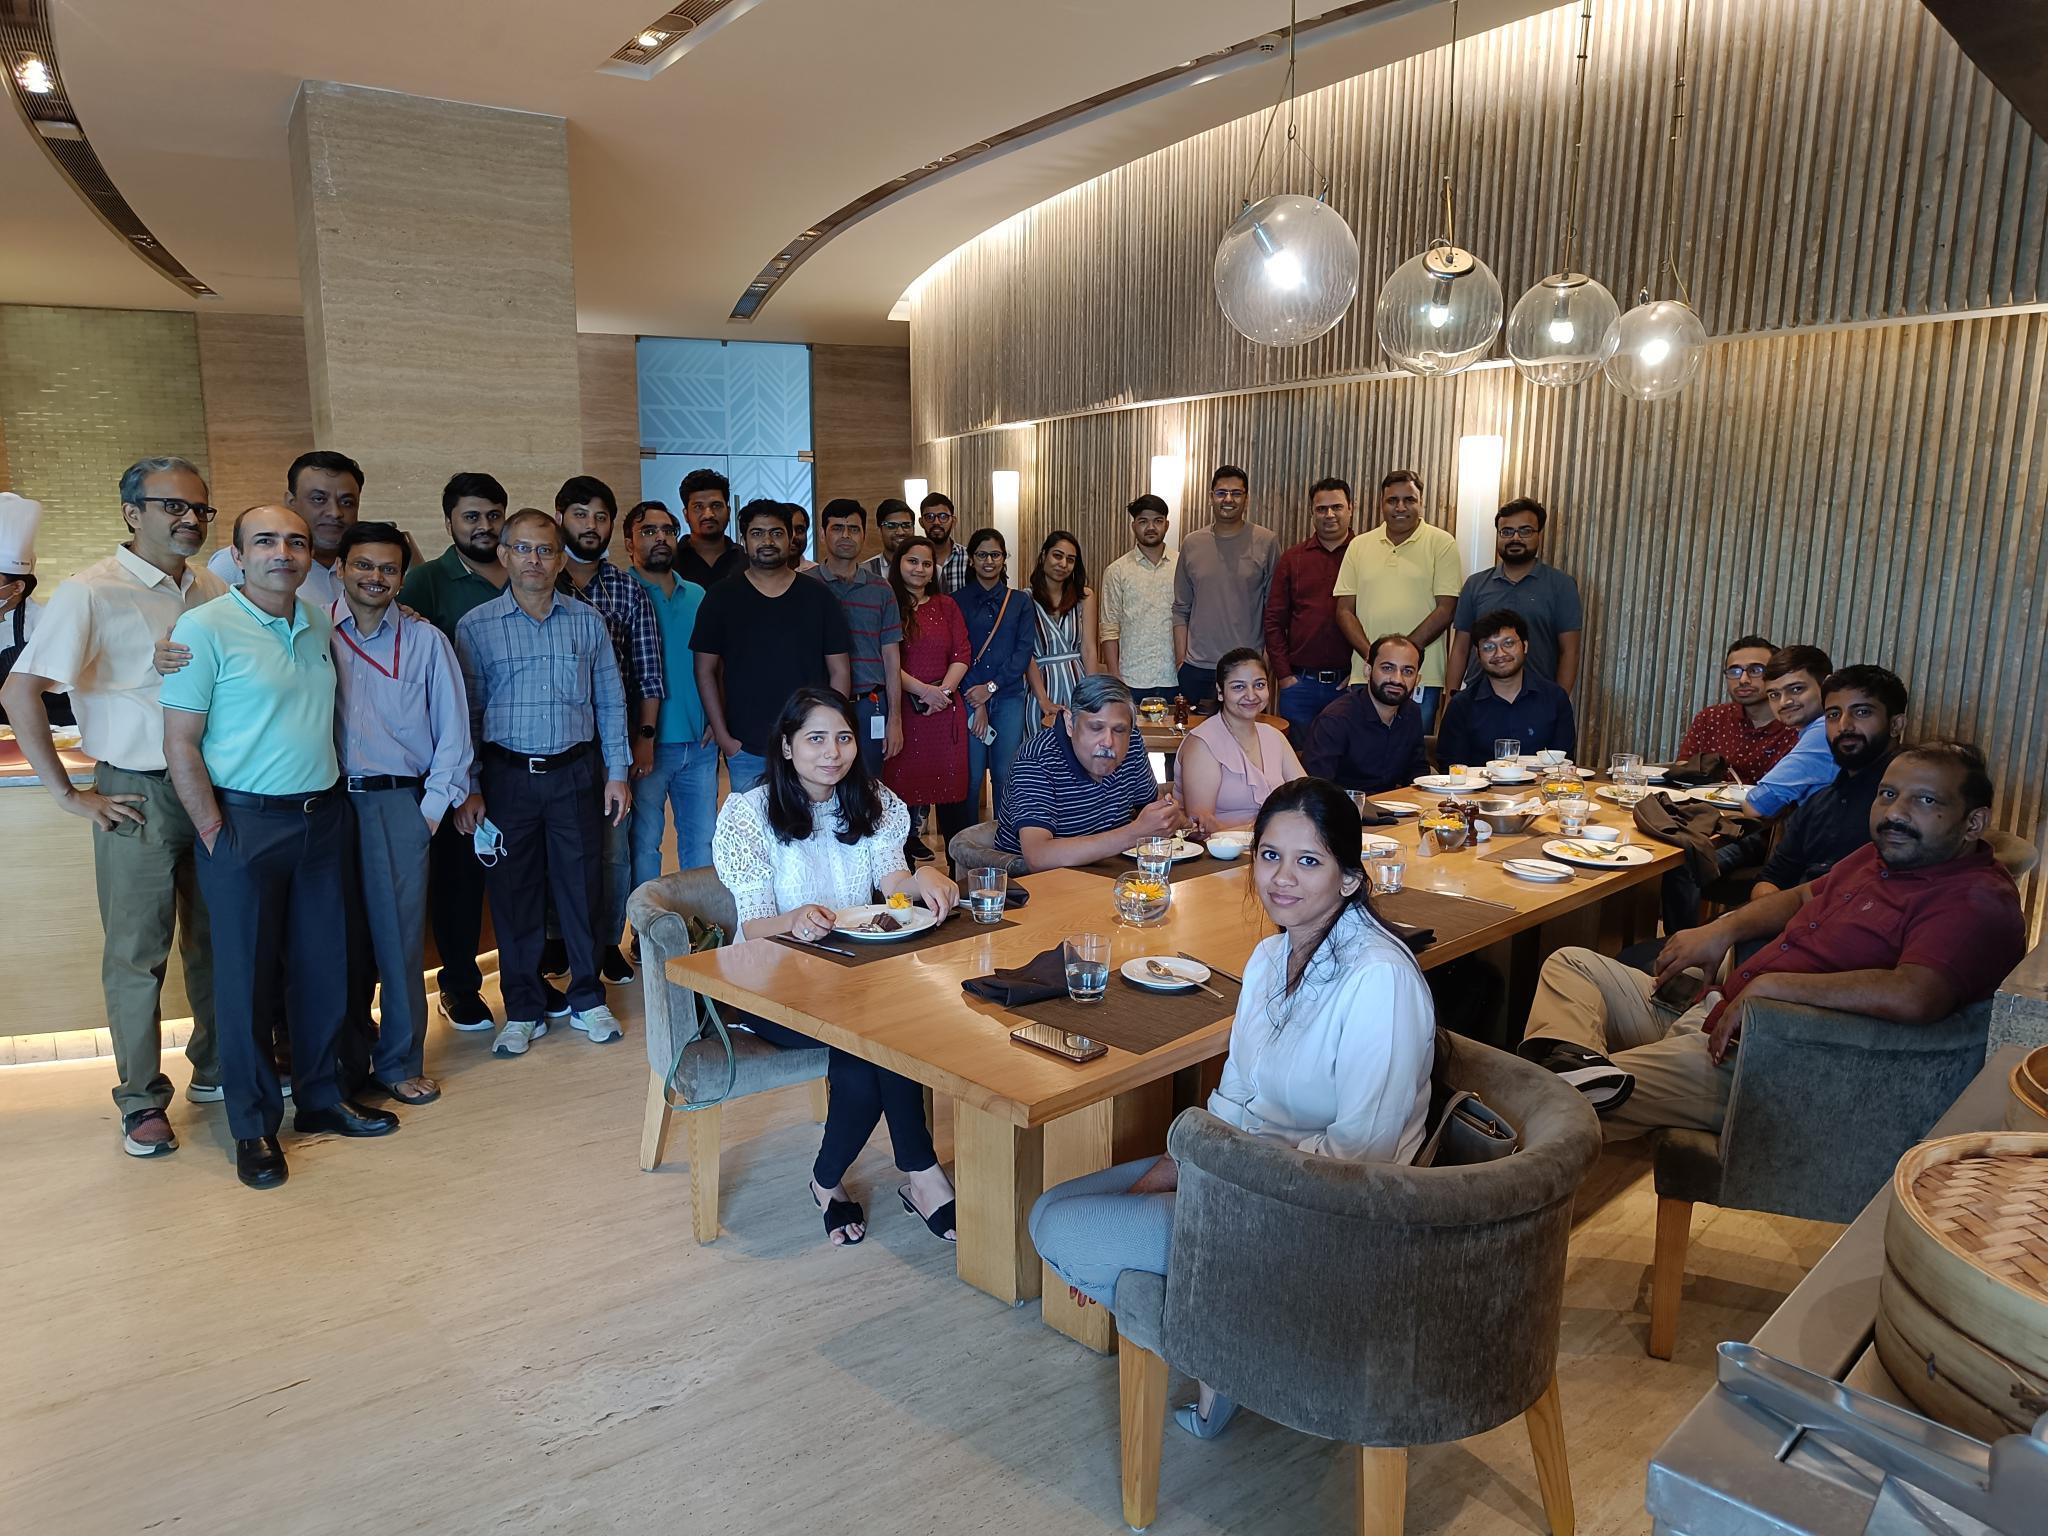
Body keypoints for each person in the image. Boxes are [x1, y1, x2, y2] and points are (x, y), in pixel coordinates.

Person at [1031, 778, 1435, 1438]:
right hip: (1243, 1178)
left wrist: (1218, 1185)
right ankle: (1235, 1346)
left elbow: (1362, 1158)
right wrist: (1159, 1182)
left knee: (1068, 1233)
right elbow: (1232, 1104)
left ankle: (1236, 1360)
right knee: (1054, 1213)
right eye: (1270, 855)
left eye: (1310, 861)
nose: (1282, 879)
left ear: (1352, 879)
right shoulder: (1273, 955)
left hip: (1324, 1214)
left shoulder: (1378, 979)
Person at [1522, 743, 2027, 1137]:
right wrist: (1720, 928)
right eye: (1889, 794)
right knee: (1572, 964)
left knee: (1551, 1101)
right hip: (1721, 1010)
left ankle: (1568, 1093)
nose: (1895, 812)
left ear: (1974, 822)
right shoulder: (1883, 857)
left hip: (1773, 1060)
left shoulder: (1973, 901)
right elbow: (1801, 896)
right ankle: (1582, 1069)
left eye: (1926, 801)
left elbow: (1916, 994)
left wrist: (1775, 988)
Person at [161, 505, 397, 1189]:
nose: (283, 552)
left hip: (322, 820)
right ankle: (253, 1125)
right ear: (237, 554)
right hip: (243, 825)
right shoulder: (203, 629)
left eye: (295, 541)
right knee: (245, 983)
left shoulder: (317, 620)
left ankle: (321, 1099)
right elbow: (179, 742)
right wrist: (212, 831)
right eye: (265, 540)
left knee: (324, 967)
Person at [1, 458, 228, 1158]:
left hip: (214, 788)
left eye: (199, 508)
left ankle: (216, 1072)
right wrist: (71, 795)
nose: (188, 519)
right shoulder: (90, 593)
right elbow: (20, 693)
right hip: (138, 788)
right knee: (137, 952)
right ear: (133, 512)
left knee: (215, 943)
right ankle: (138, 1099)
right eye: (171, 506)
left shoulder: (212, 588)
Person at [710, 687, 963, 1246]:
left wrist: (919, 882)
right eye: (816, 739)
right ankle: (872, 1179)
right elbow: (752, 926)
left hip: (854, 973)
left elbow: (890, 882)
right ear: (787, 745)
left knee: (891, 1031)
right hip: (772, 982)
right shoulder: (747, 814)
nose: (833, 752)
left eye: (844, 738)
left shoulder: (872, 800)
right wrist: (793, 919)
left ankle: (899, 1176)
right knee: (867, 1051)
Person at [453, 508, 631, 1060]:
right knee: (515, 895)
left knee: (582, 888)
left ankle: (586, 998)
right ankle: (524, 1008)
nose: (535, 559)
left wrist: (618, 772)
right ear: (504, 555)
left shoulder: (587, 621)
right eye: (523, 549)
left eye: (545, 550)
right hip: (507, 779)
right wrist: (471, 785)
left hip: (577, 774)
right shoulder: (475, 626)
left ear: (560, 559)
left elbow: (610, 700)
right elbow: (469, 714)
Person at [327, 522, 471, 1108]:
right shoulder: (310, 631)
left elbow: (455, 737)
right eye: (363, 565)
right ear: (340, 568)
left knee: (399, 943)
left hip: (397, 806)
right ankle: (341, 1065)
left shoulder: (425, 641)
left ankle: (399, 1061)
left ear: (402, 574)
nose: (375, 577)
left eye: (388, 568)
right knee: (331, 942)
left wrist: (429, 813)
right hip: (325, 801)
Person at [398, 471, 511, 1033]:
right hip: (451, 761)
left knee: (518, 878)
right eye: (472, 516)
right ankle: (460, 986)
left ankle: (522, 974)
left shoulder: (526, 570)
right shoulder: (426, 582)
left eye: (493, 515)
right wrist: (460, 777)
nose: (484, 527)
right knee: (459, 882)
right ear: (449, 522)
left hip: (518, 755)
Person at [555, 474, 664, 983]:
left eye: (600, 516)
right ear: (561, 518)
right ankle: (556, 941)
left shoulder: (626, 589)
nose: (590, 525)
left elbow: (648, 671)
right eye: (581, 514)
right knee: (555, 844)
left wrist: (642, 740)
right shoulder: (537, 581)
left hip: (611, 743)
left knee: (612, 849)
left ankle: (604, 942)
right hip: (548, 742)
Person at [690, 499, 852, 792]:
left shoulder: (819, 597)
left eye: (776, 533)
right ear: (744, 540)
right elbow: (704, 670)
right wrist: (726, 740)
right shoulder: (720, 597)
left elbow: (839, 670)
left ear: (791, 538)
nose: (767, 541)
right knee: (755, 835)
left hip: (811, 745)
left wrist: (830, 732)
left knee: (812, 832)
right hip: (747, 746)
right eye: (757, 533)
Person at [994, 673, 1181, 870]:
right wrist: (1134, 833)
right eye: (1095, 728)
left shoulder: (1132, 743)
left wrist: (1176, 820)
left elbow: (1149, 807)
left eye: (1119, 730)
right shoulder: (1036, 759)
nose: (1108, 742)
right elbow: (1038, 856)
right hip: (1038, 885)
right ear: (1069, 723)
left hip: (1110, 872)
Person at [1750, 666, 1907, 897]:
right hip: (1791, 923)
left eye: (1862, 712)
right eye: (1833, 715)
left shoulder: (1910, 803)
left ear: (1896, 725)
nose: (1844, 726)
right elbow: (1771, 879)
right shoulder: (1820, 802)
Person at [624, 500, 717, 881]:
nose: (660, 537)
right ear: (629, 542)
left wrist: (717, 716)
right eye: (648, 530)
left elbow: (718, 661)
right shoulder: (621, 591)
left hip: (699, 744)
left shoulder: (697, 594)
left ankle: (701, 933)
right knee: (644, 844)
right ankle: (648, 936)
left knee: (702, 843)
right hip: (644, 746)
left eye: (667, 530)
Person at [1332, 469, 1462, 727]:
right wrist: (1376, 658)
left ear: (1421, 503)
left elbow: (1446, 610)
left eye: (1409, 500)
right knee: (1361, 752)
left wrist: (1401, 660)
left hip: (1421, 676)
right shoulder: (1359, 545)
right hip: (1366, 672)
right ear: (1382, 504)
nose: (1400, 507)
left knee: (1411, 755)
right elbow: (1344, 611)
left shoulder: (1442, 543)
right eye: (1392, 500)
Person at [937, 527, 1035, 847]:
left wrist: (990, 688)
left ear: (1004, 558)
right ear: (971, 558)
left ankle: (1006, 844)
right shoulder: (955, 602)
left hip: (1007, 697)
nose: (989, 561)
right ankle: (966, 850)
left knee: (1007, 776)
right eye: (982, 555)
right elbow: (956, 651)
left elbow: (1022, 653)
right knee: (971, 777)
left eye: (995, 554)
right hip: (967, 698)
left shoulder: (1019, 601)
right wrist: (976, 699)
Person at [883, 537, 970, 861]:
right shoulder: (887, 602)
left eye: (926, 563)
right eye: (912, 561)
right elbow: (887, 659)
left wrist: (943, 693)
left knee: (952, 797)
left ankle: (958, 877)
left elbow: (962, 652)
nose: (920, 569)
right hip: (904, 711)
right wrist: (923, 691)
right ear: (899, 563)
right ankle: (905, 889)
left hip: (945, 712)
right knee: (901, 796)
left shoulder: (947, 605)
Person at [1443, 498, 1583, 696]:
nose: (1515, 538)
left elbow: (1570, 652)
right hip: (1479, 699)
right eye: (1506, 532)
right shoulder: (1475, 585)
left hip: (1537, 698)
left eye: (1525, 531)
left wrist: (1558, 703)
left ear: (1539, 535)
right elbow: (1460, 648)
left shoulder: (1561, 585)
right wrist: (1452, 698)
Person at [810, 498, 904, 775]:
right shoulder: (805, 585)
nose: (846, 536)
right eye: (837, 528)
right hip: (818, 703)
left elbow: (891, 657)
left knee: (869, 785)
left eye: (853, 528)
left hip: (870, 705)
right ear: (823, 533)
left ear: (864, 534)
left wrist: (895, 719)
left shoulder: (881, 589)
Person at [1171, 465, 1279, 703]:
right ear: (1211, 497)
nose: (1228, 499)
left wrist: (1266, 661)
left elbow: (1274, 610)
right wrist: (1181, 659)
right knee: (1198, 737)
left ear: (1246, 498)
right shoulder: (1192, 543)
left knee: (1245, 739)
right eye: (1221, 493)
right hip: (1197, 666)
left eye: (1236, 493)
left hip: (1246, 667)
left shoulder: (1266, 541)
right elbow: (1180, 608)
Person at [1265, 476, 1360, 738]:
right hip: (1300, 686)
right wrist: (1284, 676)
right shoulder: (1293, 558)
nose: (1329, 515)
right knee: (1298, 764)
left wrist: (1359, 672)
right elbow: (1273, 620)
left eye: (1337, 507)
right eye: (1321, 509)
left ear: (1351, 507)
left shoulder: (1366, 555)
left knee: (1345, 763)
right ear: (1312, 513)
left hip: (1349, 685)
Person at [205, 450, 362, 607]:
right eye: (319, 499)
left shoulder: (370, 567)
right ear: (291, 502)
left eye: (347, 502)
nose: (335, 513)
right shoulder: (237, 563)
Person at [1177, 648, 1304, 836]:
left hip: (1275, 845)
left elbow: (1305, 797)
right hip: (1218, 854)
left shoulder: (1274, 736)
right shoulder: (1202, 744)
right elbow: (1201, 827)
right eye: (1238, 687)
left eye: (1259, 685)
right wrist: (1263, 831)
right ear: (1220, 692)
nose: (1251, 695)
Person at [1433, 609, 1576, 767]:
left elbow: (1564, 763)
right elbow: (1450, 767)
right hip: (1481, 790)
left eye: (1508, 643)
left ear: (1525, 646)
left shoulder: (1554, 699)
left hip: (1540, 789)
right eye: (1488, 647)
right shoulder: (1462, 706)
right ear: (1478, 654)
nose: (1499, 654)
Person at [1302, 633, 1432, 793]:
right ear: (1368, 670)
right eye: (1387, 668)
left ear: (1417, 679)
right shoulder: (1335, 720)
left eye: (1408, 671)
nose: (1397, 679)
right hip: (1345, 812)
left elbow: (1417, 770)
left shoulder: (1411, 713)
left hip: (1398, 811)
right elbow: (1318, 789)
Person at [1676, 634, 1797, 782]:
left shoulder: (1796, 725)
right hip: (1704, 803)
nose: (1743, 680)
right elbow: (1683, 768)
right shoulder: (1711, 717)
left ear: (1777, 674)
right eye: (1734, 672)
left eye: (1755, 670)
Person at [1096, 492, 1178, 703]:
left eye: (1157, 521)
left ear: (1167, 525)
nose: (1151, 527)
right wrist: (1115, 676)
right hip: (1131, 679)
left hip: (1176, 677)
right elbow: (1109, 628)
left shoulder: (1182, 566)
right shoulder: (1117, 571)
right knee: (1131, 736)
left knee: (1175, 735)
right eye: (1143, 521)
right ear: (1134, 526)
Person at [1739, 645, 1837, 817]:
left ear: (1828, 686)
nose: (1784, 702)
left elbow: (1758, 806)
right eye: (1774, 695)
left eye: (1796, 689)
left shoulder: (1824, 730)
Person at [1025, 529, 1100, 730]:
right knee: (1041, 749)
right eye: (1057, 556)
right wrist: (1042, 699)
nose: (1063, 564)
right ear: (1043, 556)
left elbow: (1089, 649)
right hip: (1041, 687)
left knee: (1082, 749)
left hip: (1078, 684)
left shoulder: (1085, 596)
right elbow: (1026, 654)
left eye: (1070, 559)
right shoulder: (1024, 599)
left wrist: (1093, 694)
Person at [676, 468, 746, 588]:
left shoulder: (745, 559)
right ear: (686, 515)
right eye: (698, 507)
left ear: (728, 512)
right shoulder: (671, 559)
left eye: (716, 506)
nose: (708, 514)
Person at [918, 491, 969, 592]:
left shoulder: (968, 558)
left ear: (953, 521)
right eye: (930, 517)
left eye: (943, 517)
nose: (936, 522)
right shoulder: (914, 560)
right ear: (921, 522)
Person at [861, 498, 917, 579]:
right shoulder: (864, 571)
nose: (900, 532)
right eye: (891, 526)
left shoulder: (928, 569)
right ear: (880, 531)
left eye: (906, 525)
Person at [788, 504, 818, 572]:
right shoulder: (760, 574)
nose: (793, 536)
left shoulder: (817, 575)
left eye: (799, 530)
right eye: (788, 530)